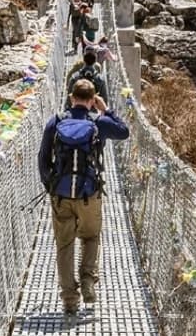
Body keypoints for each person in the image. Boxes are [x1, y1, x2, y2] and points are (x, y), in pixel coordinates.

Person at [38, 79, 130, 322]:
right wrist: (105, 109)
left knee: (64, 245)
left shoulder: (56, 122)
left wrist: (51, 185)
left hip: (61, 194)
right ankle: (88, 280)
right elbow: (124, 131)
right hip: (90, 194)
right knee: (90, 237)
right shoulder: (98, 122)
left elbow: (42, 157)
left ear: (71, 97)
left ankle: (70, 300)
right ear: (92, 99)